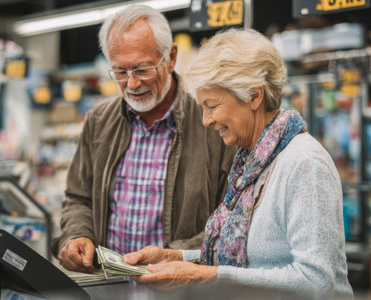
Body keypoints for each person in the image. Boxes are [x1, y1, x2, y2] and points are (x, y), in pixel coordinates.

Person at [123, 28, 354, 298]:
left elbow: (316, 280)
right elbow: (250, 256)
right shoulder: (250, 164)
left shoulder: (303, 163)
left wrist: (207, 275)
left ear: (254, 96)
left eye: (212, 105)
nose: (206, 120)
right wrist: (177, 257)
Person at [52, 5, 236, 273]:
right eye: (120, 72)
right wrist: (77, 235)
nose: (132, 84)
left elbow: (232, 216)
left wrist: (178, 257)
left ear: (171, 57)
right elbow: (79, 198)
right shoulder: (99, 121)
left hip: (184, 289)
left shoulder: (211, 120)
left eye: (142, 69)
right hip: (109, 285)